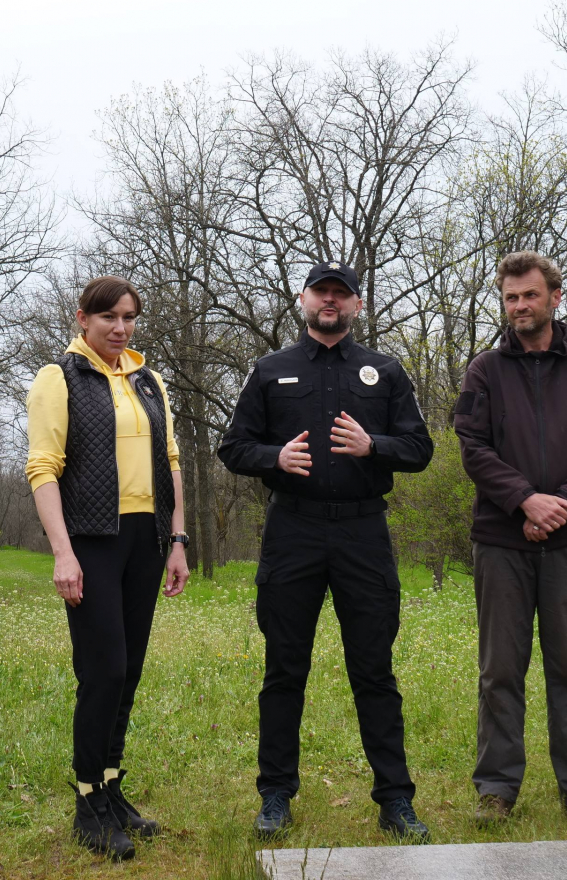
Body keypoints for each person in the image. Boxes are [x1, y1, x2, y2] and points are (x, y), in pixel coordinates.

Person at [218, 262, 434, 840]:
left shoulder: (384, 371)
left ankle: (395, 801)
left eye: (342, 294)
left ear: (357, 306)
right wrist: (274, 459)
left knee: (375, 672)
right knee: (284, 670)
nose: (330, 302)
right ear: (303, 298)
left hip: (363, 535)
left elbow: (420, 448)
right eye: (322, 292)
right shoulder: (270, 370)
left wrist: (374, 446)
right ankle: (275, 796)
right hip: (294, 532)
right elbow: (233, 446)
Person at [453, 251, 567, 828]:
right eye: (511, 298)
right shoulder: (485, 371)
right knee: (500, 669)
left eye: (529, 295)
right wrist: (524, 500)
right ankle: (497, 789)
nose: (520, 307)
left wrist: (561, 507)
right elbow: (472, 446)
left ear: (554, 298)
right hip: (502, 542)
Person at [26, 275, 191, 861]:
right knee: (103, 671)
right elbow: (43, 468)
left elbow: (170, 461)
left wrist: (177, 540)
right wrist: (63, 552)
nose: (119, 329)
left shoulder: (150, 382)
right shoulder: (60, 378)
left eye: (128, 318)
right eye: (108, 318)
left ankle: (112, 788)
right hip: (93, 541)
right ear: (82, 319)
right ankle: (87, 803)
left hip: (146, 541)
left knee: (130, 671)